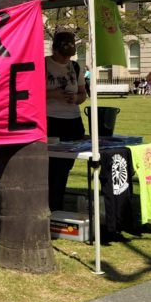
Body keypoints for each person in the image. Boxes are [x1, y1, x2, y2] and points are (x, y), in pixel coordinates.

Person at [45, 32, 87, 212]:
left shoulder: (75, 67)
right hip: (51, 121)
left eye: (69, 56)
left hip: (73, 122)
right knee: (54, 166)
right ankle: (53, 204)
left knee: (65, 166)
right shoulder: (43, 65)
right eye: (63, 55)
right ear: (55, 48)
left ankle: (55, 201)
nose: (65, 59)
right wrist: (53, 94)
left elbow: (83, 94)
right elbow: (29, 93)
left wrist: (75, 99)